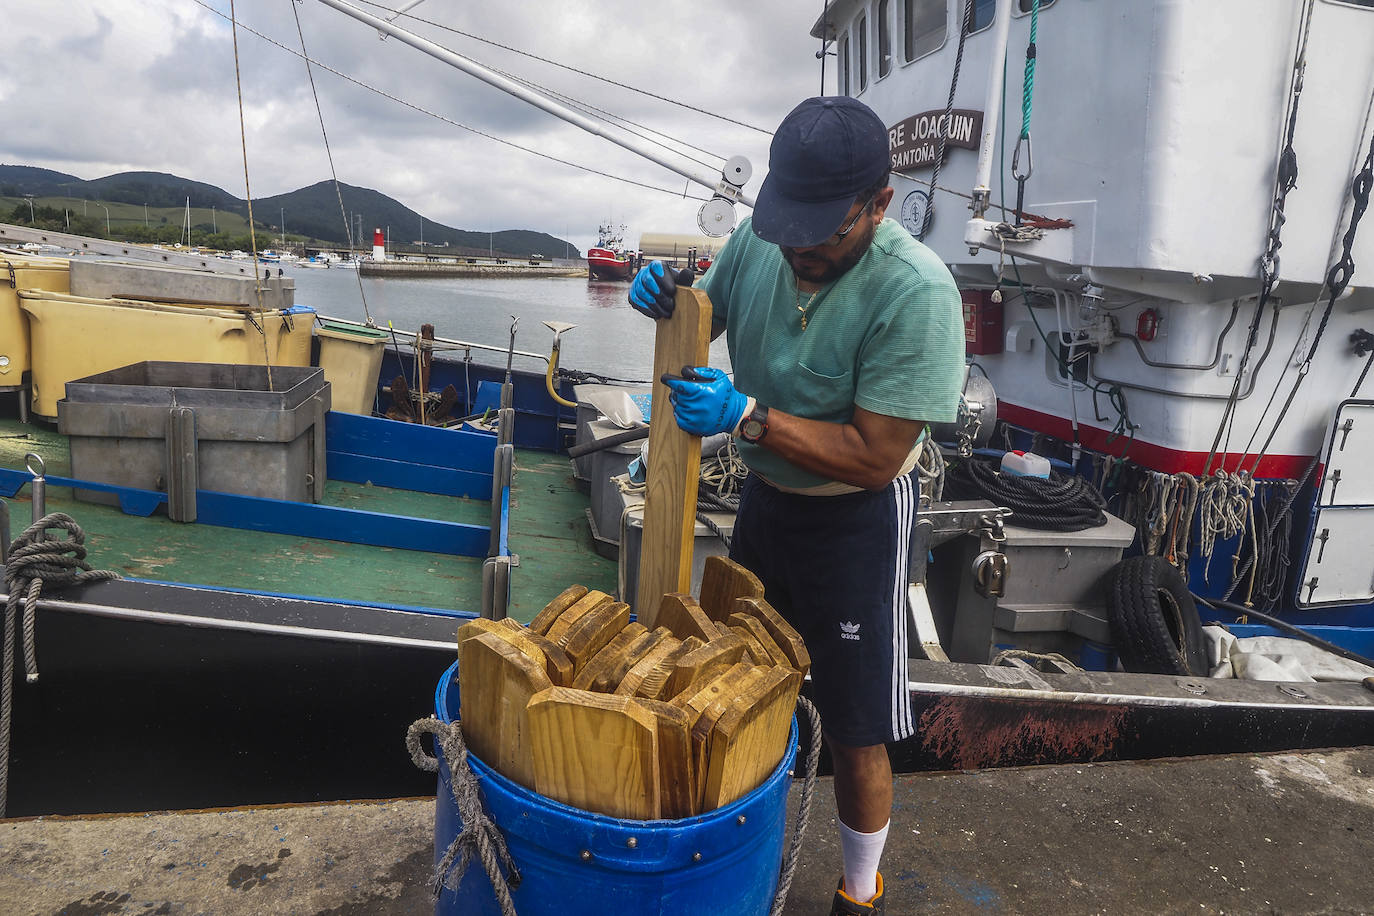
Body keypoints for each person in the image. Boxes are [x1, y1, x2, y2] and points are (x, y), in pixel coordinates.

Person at [628, 96, 964, 915]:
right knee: (741, 692)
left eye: (826, 231)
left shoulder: (917, 293)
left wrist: (748, 416)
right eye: (789, 226)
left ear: (879, 205)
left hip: (856, 520)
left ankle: (859, 890)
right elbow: (699, 326)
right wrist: (668, 303)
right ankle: (741, 863)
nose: (802, 248)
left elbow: (877, 457)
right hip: (767, 506)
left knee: (854, 727)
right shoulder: (761, 242)